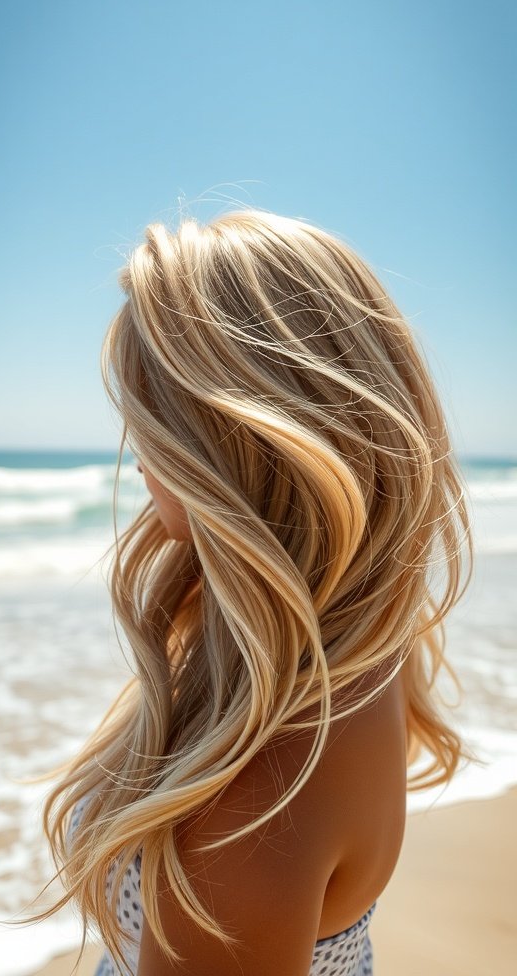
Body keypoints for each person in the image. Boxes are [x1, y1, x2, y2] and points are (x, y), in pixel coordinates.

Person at [36, 209, 472, 975]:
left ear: (228, 442)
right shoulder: (355, 645)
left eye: (151, 413)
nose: (137, 448)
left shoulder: (251, 803)